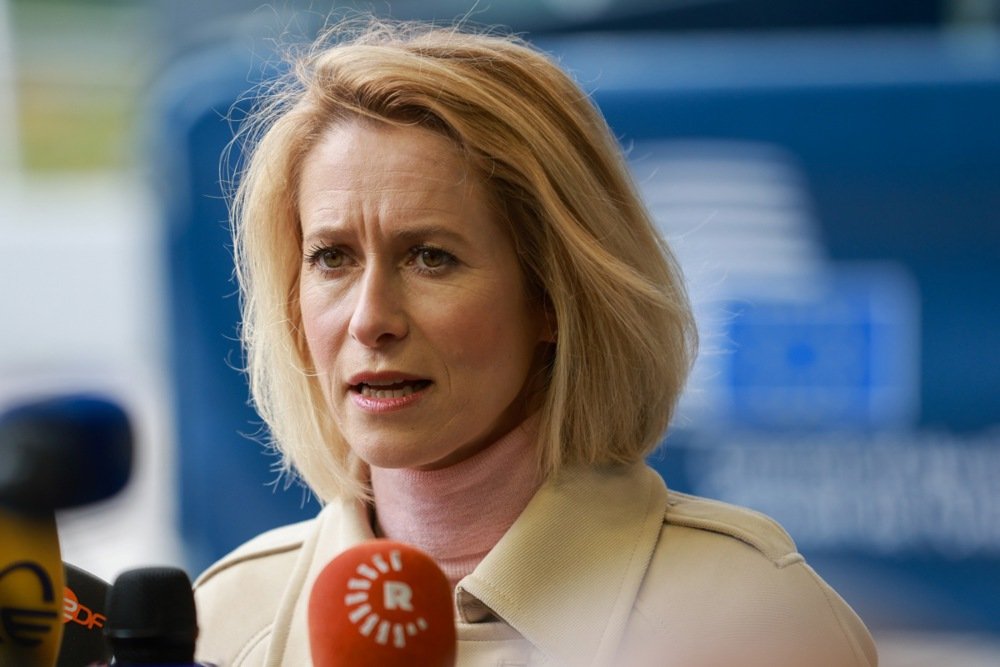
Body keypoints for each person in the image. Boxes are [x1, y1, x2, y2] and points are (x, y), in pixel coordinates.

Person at [192, 18, 878, 667]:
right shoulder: (223, 620)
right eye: (332, 258)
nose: (370, 319)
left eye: (430, 257)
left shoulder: (751, 619)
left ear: (554, 295)